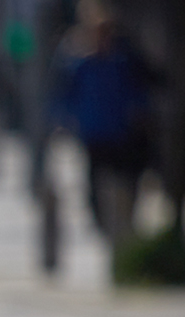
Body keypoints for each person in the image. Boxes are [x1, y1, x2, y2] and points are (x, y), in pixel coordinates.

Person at [55, 9, 163, 243]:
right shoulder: (81, 65)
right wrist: (65, 121)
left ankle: (124, 227)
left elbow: (140, 93)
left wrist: (140, 114)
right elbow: (65, 96)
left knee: (126, 181)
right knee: (96, 185)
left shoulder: (124, 63)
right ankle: (105, 228)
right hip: (94, 134)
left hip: (121, 132)